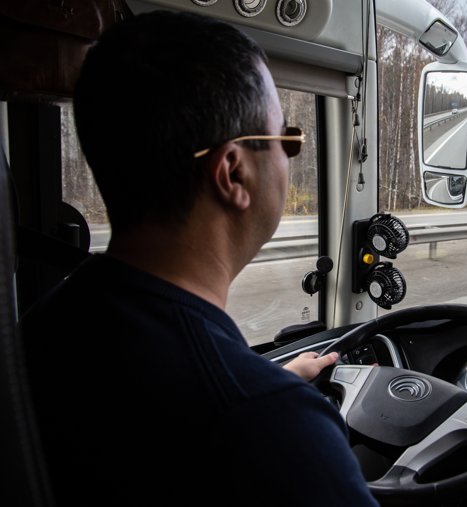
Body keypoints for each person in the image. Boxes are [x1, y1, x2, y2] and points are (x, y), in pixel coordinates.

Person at [19, 10, 378, 507]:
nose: (289, 158)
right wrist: (272, 402)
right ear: (233, 173)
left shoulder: (41, 330)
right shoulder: (272, 428)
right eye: (287, 140)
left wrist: (268, 379)